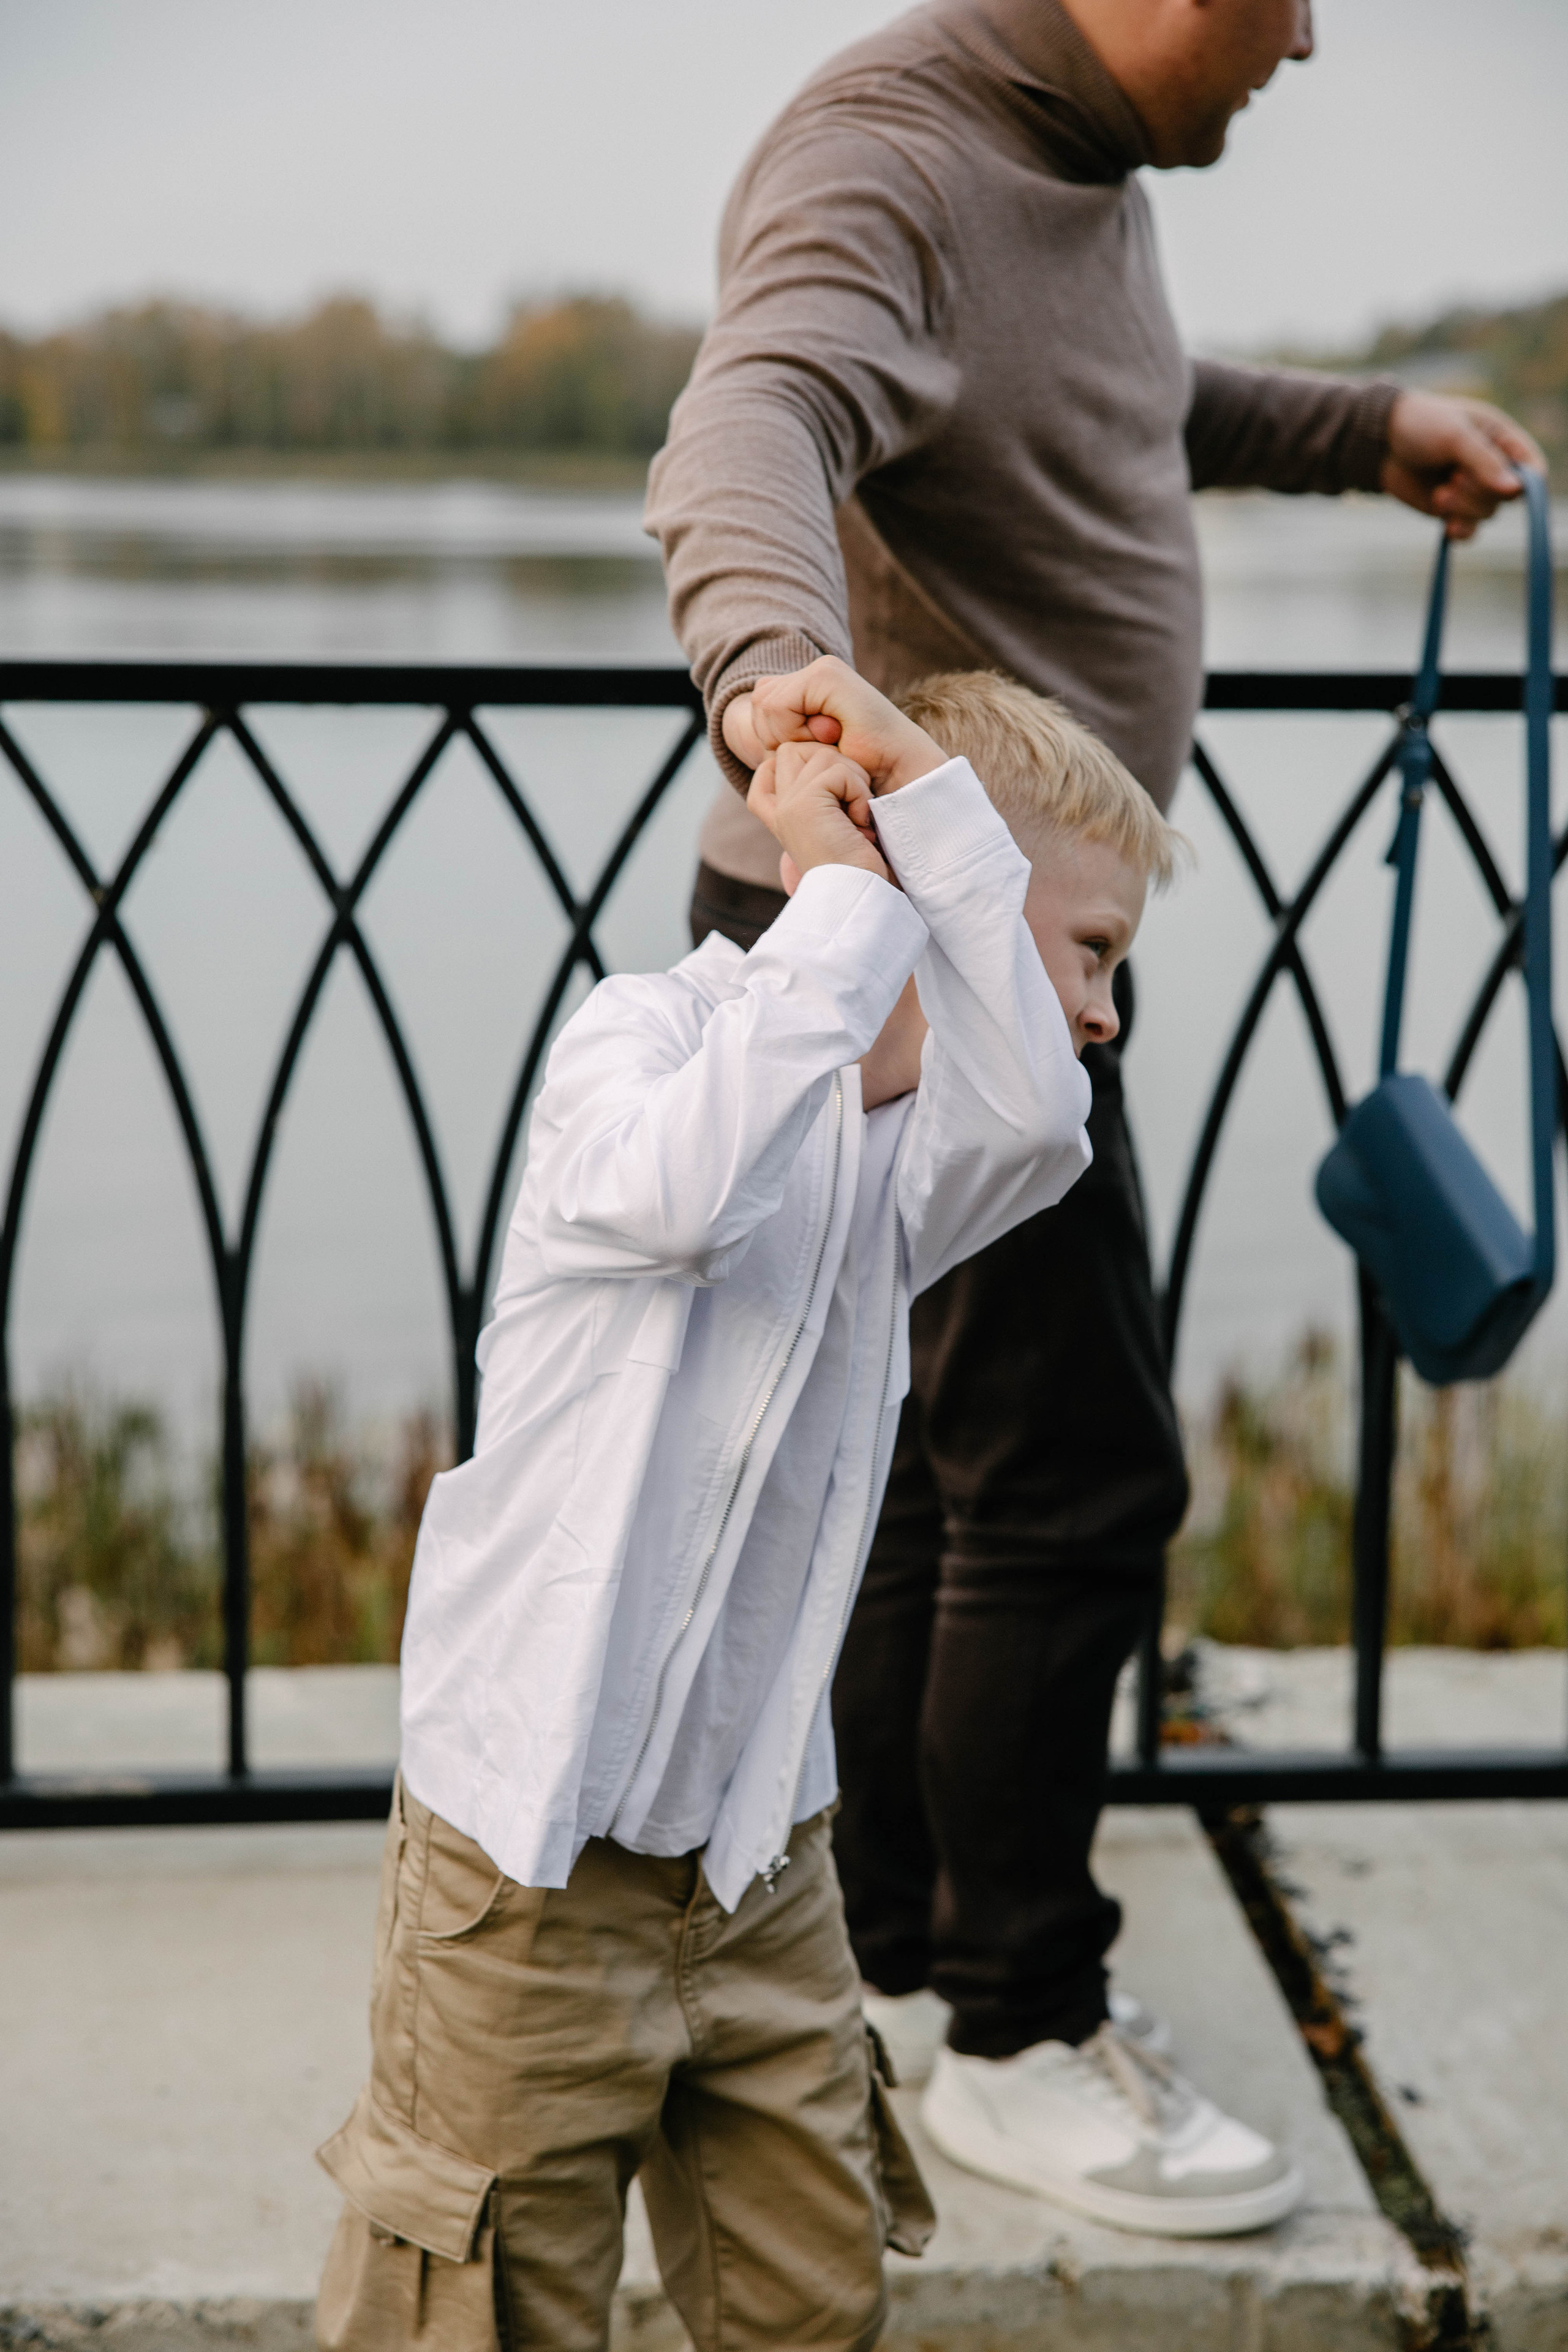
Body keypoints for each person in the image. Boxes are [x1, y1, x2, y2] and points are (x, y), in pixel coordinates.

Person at [646, 0, 1542, 2238]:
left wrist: (1362, 431)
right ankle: (1022, 2037)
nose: (1314, 36)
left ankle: (898, 1968)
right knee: (1073, 1480)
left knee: (945, 1487)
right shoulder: (896, 148)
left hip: (989, 942)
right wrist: (770, 677)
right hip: (918, 947)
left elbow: (1130, 412)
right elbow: (750, 410)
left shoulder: (1077, 179)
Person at [312, 658, 1187, 2351]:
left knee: (810, 2281)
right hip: (531, 1872)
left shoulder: (912, 1165)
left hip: (761, 1865)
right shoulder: (639, 1045)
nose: (1100, 1008)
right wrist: (853, 901)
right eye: (1088, 954)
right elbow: (691, 1201)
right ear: (918, 902)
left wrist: (925, 787)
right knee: (487, 2300)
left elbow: (1046, 1121)